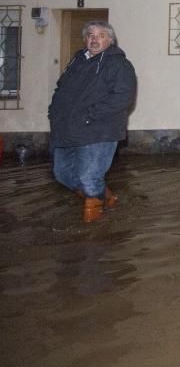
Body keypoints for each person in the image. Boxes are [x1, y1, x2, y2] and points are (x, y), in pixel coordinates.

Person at [48, 21, 137, 222]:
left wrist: (90, 115)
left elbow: (122, 97)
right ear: (85, 39)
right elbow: (60, 89)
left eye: (101, 35)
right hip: (67, 129)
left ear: (110, 40)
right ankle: (107, 198)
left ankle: (95, 232)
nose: (94, 39)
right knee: (63, 174)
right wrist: (54, 112)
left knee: (88, 178)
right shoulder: (77, 61)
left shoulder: (119, 64)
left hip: (98, 130)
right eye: (90, 35)